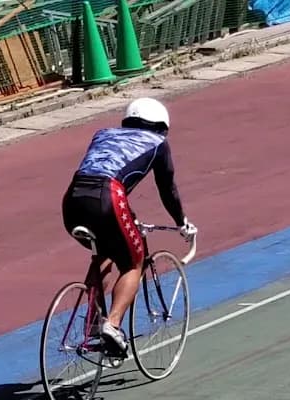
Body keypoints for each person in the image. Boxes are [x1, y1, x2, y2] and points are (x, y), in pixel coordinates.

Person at [61, 97, 197, 355]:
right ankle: (112, 325)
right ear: (161, 127)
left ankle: (92, 323)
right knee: (133, 261)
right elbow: (167, 189)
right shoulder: (159, 143)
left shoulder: (103, 134)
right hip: (108, 196)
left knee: (104, 251)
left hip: (73, 199)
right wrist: (181, 222)